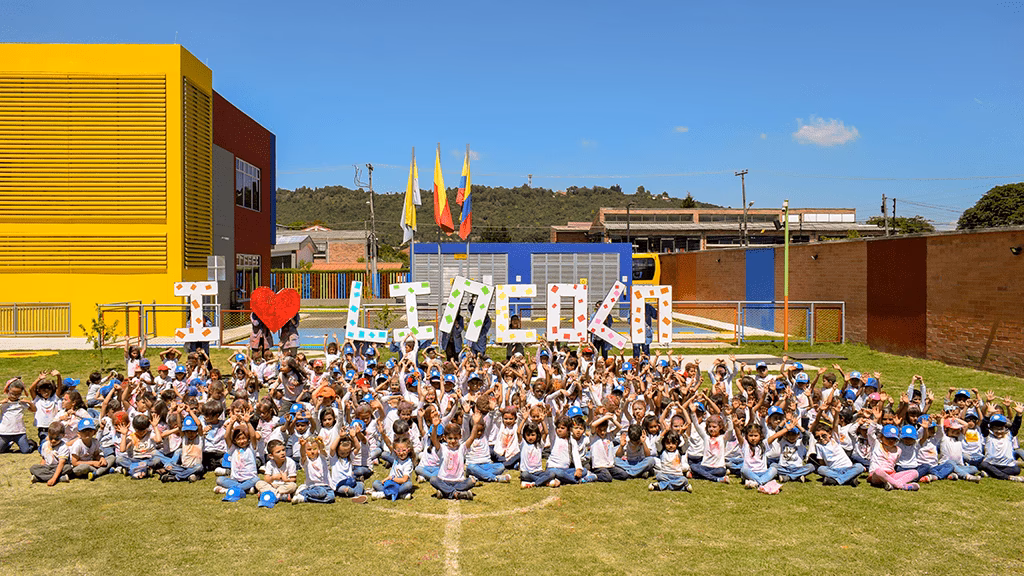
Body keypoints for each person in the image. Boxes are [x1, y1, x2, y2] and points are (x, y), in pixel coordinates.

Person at [1, 378, 38, 454]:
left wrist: (30, 403)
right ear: (8, 391)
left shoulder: (21, 403)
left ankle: (31, 444)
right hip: (5, 432)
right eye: (13, 393)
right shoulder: (4, 403)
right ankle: (8, 444)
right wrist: (1, 402)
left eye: (18, 394)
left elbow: (34, 410)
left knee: (26, 451)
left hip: (19, 432)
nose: (15, 396)